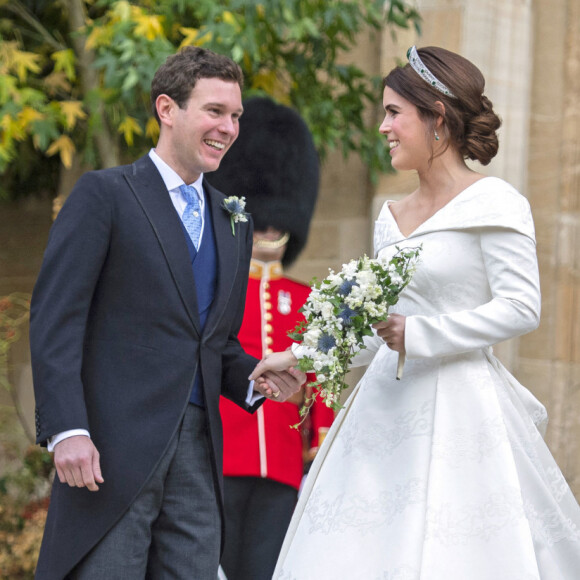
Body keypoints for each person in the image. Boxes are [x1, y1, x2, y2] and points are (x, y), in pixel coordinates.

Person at [250, 46, 580, 579]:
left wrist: (421, 332)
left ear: (437, 117)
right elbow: (378, 330)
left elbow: (522, 307)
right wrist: (298, 356)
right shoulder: (390, 218)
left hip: (462, 405)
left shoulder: (496, 202)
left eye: (394, 112)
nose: (383, 127)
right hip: (384, 407)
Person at [29, 47, 305, 580]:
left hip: (200, 458)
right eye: (214, 111)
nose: (228, 128)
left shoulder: (234, 219)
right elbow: (57, 319)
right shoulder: (105, 194)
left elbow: (212, 341)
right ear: (166, 109)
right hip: (112, 453)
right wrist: (67, 429)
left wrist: (254, 378)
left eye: (236, 116)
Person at [206, 97, 335, 580]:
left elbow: (321, 374)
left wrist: (318, 443)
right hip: (223, 453)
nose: (269, 229)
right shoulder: (220, 286)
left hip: (282, 463)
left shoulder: (304, 298)